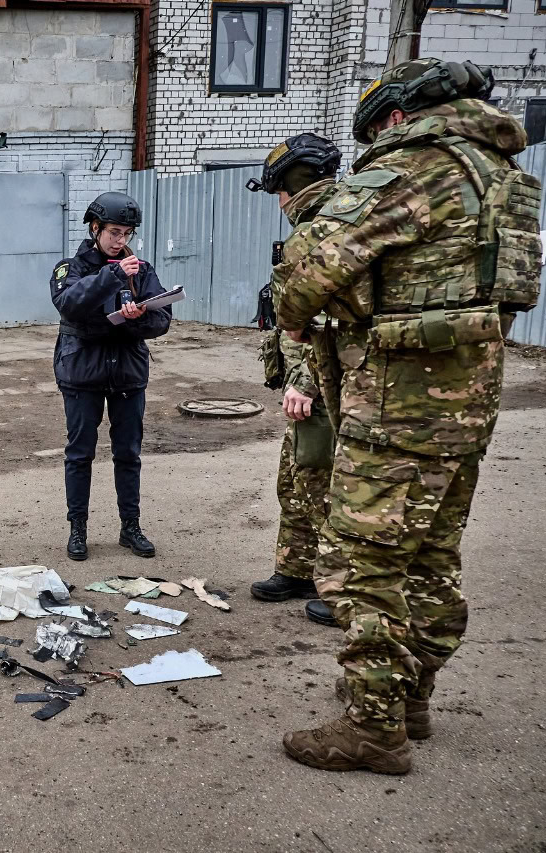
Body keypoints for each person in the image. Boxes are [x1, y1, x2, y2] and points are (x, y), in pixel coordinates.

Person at [275, 59, 542, 774]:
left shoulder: (417, 167)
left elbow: (307, 277)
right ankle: (410, 696)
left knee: (361, 566)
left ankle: (373, 727)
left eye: (375, 130)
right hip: (467, 407)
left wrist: (295, 310)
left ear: (396, 115)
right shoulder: (504, 177)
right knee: (430, 559)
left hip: (392, 411)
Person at [246, 134, 342, 628]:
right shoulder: (317, 225)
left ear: (294, 186)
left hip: (324, 386)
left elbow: (329, 323)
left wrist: (304, 381)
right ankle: (298, 568)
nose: (279, 203)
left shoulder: (332, 230)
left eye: (279, 192)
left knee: (322, 484)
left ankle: (340, 586)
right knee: (295, 480)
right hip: (306, 386)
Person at [50, 192, 171, 562]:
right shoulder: (70, 267)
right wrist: (113, 275)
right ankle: (78, 528)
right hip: (82, 372)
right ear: (95, 228)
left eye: (127, 234)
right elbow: (70, 304)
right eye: (115, 233)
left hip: (128, 373)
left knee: (128, 454)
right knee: (80, 454)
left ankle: (130, 526)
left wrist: (139, 317)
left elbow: (162, 319)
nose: (121, 242)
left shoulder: (142, 269)